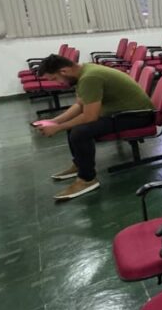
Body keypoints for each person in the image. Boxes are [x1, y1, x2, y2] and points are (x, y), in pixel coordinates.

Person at [33, 54, 155, 201]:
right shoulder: (82, 73)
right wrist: (54, 122)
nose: (57, 83)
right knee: (74, 126)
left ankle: (87, 179)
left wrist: (58, 128)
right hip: (121, 112)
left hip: (139, 116)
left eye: (54, 79)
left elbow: (90, 117)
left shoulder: (89, 78)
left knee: (80, 132)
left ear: (64, 71)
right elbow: (80, 105)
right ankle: (80, 164)